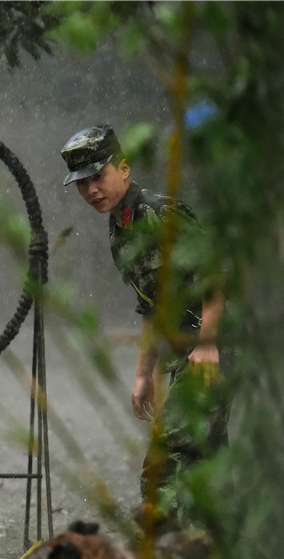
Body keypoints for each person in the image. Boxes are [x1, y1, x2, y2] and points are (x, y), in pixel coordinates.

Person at [61, 124, 230, 520]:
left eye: (98, 177)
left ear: (124, 169)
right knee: (209, 469)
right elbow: (152, 307)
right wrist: (143, 375)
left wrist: (207, 344)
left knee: (167, 464)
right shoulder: (120, 229)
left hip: (213, 348)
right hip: (183, 355)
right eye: (82, 184)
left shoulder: (159, 213)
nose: (91, 191)